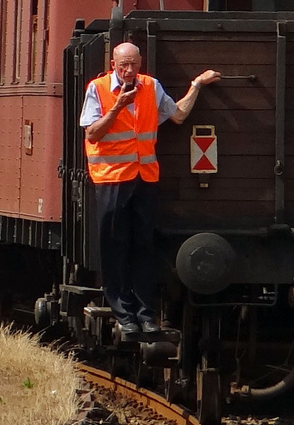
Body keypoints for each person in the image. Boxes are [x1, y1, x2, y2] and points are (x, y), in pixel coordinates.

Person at [81, 42, 219, 336]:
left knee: (144, 246)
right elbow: (92, 132)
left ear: (140, 62)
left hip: (144, 177)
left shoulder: (150, 86)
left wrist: (196, 85)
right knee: (115, 247)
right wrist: (118, 106)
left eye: (134, 64)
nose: (129, 71)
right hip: (111, 178)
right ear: (113, 64)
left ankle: (145, 314)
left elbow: (178, 115)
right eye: (123, 65)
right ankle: (123, 313)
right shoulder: (99, 89)